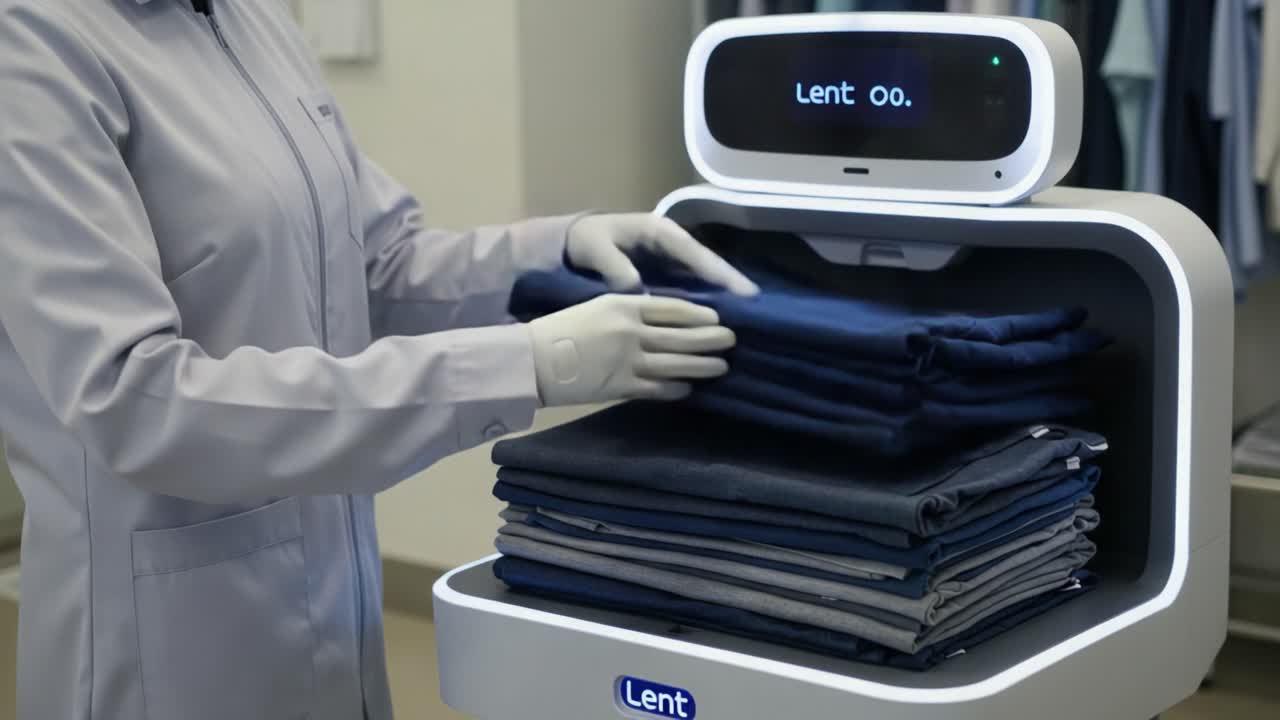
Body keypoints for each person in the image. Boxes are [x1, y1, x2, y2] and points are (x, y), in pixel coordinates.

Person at [0, 2, 758, 718]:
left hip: (336, 604)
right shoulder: (33, 44)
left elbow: (377, 266)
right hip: (168, 641)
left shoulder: (252, 17)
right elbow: (136, 401)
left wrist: (557, 255)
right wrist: (527, 363)